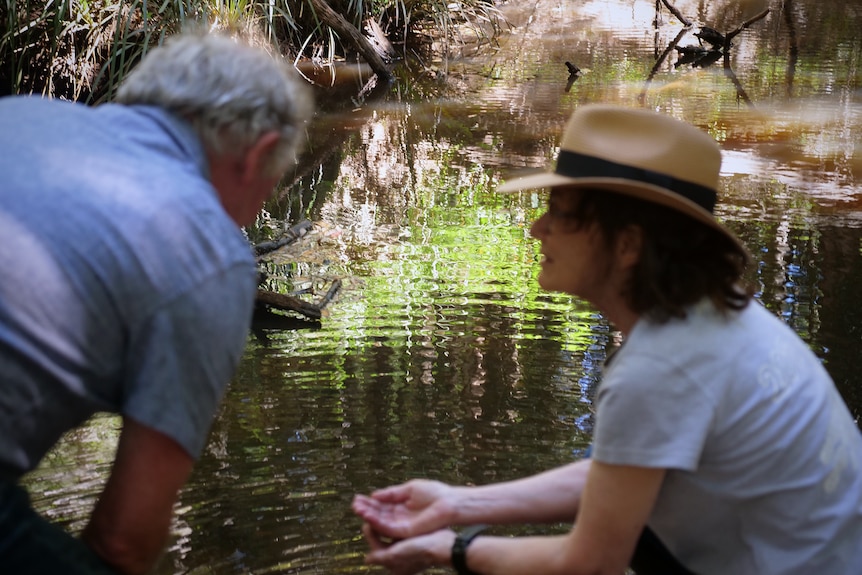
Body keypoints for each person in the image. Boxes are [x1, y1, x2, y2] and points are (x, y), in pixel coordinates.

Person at [352, 104, 862, 575]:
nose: (537, 228)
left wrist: (450, 548)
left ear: (629, 244)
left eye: (562, 212)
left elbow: (591, 563)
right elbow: (625, 475)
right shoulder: (716, 318)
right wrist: (456, 504)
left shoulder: (662, 367)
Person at [0, 30, 312, 574]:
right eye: (271, 184)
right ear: (257, 154)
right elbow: (124, 541)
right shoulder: (208, 254)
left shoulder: (22, 114)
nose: (254, 213)